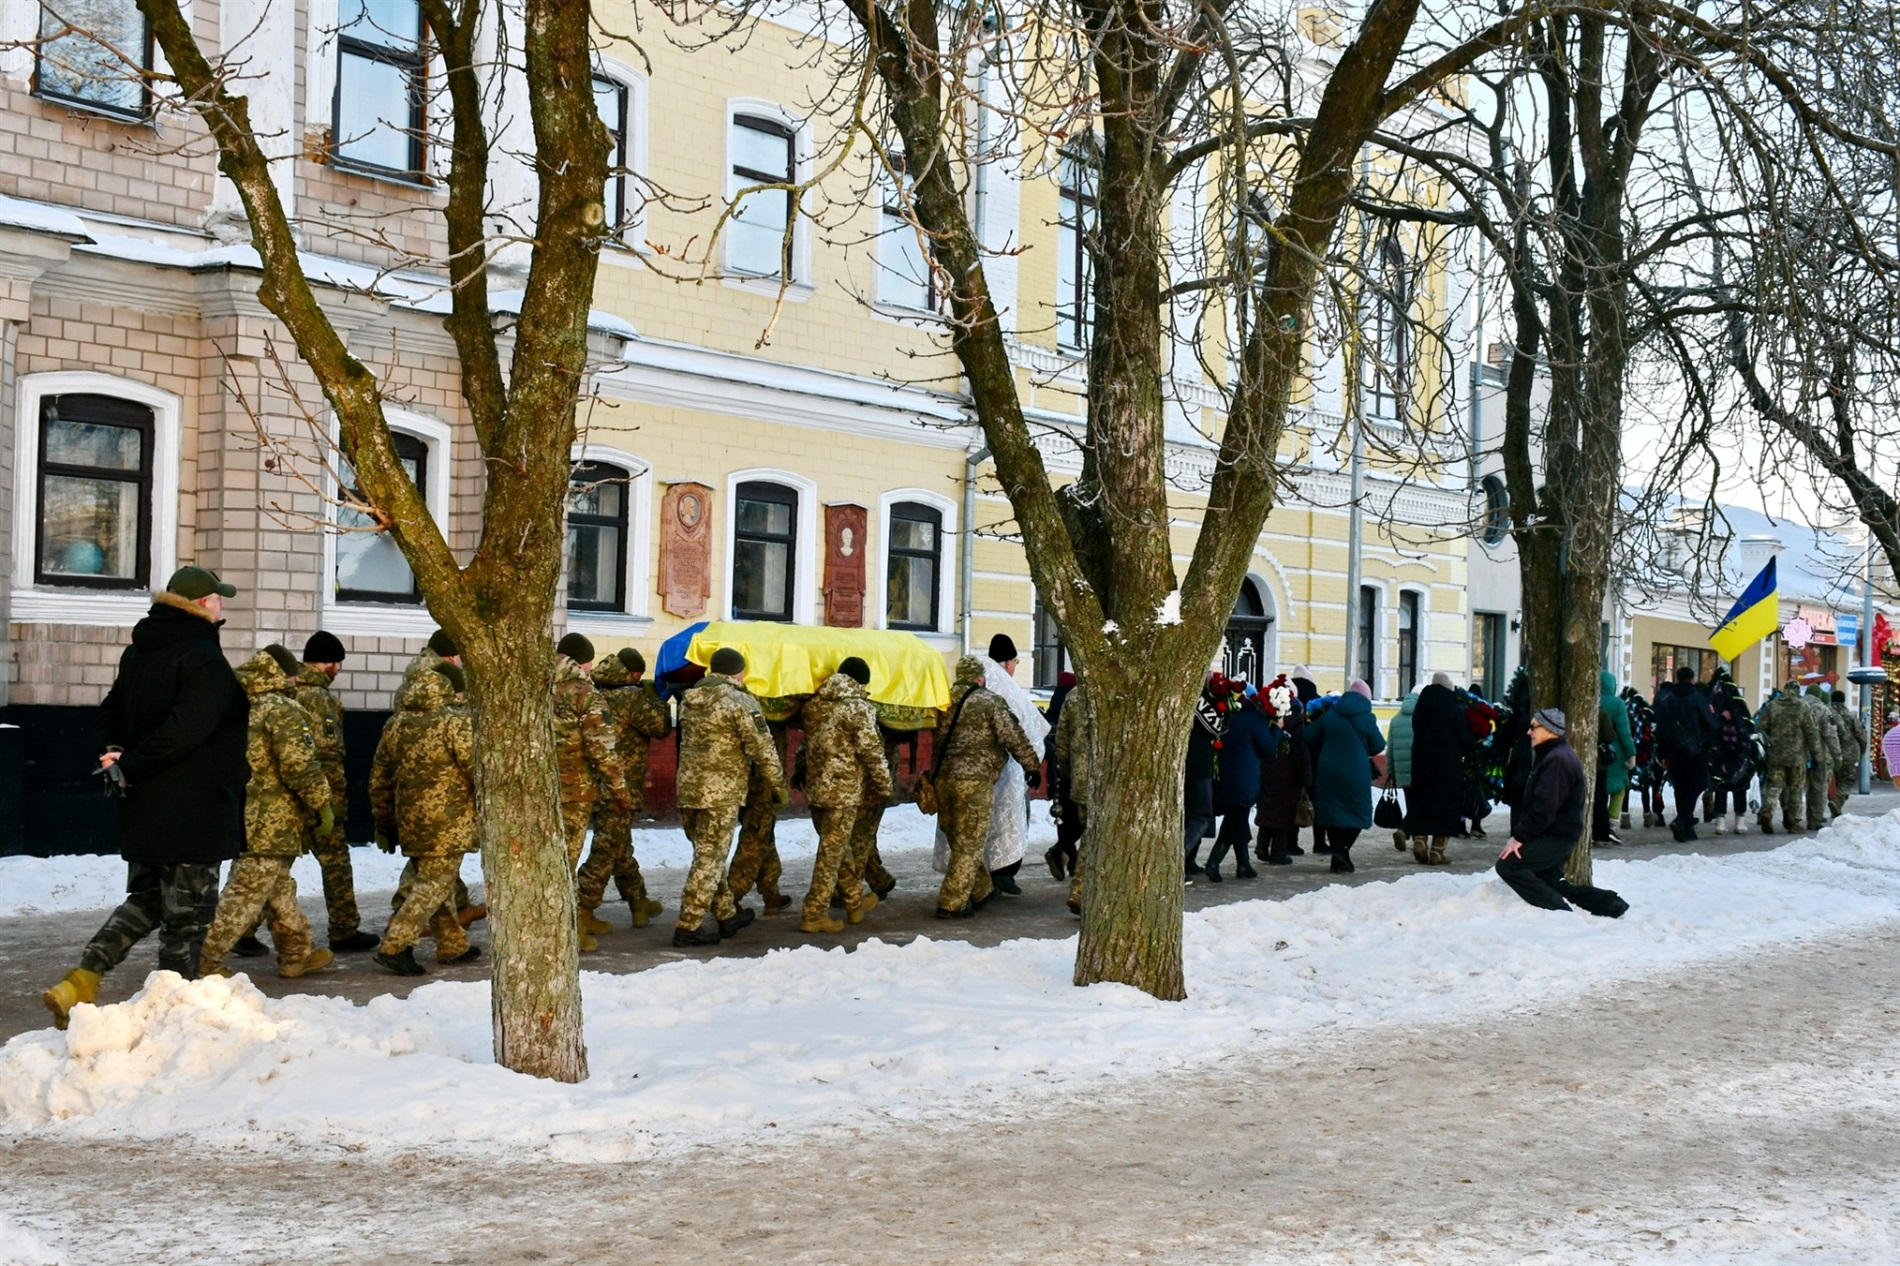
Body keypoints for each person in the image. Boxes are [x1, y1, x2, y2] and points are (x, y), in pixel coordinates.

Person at [42, 567, 251, 1029]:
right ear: (201, 605)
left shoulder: (140, 651)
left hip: (142, 803)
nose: (223, 607)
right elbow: (187, 730)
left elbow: (111, 711)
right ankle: (176, 1020)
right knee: (189, 918)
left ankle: (84, 976)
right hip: (192, 808)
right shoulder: (202, 658)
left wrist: (117, 753)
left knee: (149, 899)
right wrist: (129, 762)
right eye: (219, 599)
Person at [196, 647, 339, 979]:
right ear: (284, 675)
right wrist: (322, 804)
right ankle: (203, 960)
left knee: (278, 887)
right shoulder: (284, 710)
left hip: (237, 811)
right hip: (272, 818)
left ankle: (296, 954)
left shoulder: (234, 706)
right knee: (244, 893)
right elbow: (299, 766)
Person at [368, 663, 479, 975]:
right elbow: (478, 770)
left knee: (434, 881)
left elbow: (380, 780)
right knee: (433, 883)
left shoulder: (395, 724)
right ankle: (395, 946)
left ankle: (452, 945)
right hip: (448, 823)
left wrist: (385, 822)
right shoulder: (454, 722)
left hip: (410, 822)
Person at [672, 646, 780, 947]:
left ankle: (727, 914)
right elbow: (762, 746)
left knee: (708, 853)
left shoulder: (691, 700)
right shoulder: (740, 701)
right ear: (737, 671)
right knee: (709, 858)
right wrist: (777, 783)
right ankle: (688, 925)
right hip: (720, 792)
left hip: (689, 788)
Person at [933, 654, 1041, 918]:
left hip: (942, 780)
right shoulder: (990, 702)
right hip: (974, 783)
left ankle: (981, 889)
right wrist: (1032, 766)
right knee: (970, 842)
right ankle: (951, 903)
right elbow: (1013, 736)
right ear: (980, 678)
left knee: (959, 837)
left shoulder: (942, 701)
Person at [289, 630, 377, 952]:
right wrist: (330, 803)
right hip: (319, 801)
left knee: (273, 867)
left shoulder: (288, 691)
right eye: (337, 663)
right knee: (337, 864)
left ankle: (244, 929)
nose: (338, 670)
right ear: (327, 663)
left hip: (289, 800)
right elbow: (326, 756)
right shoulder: (319, 700)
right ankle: (344, 930)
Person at [1495, 709, 1628, 917]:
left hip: (1556, 836)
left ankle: (1561, 912)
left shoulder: (1557, 759)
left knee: (1507, 866)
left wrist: (1519, 837)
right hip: (1557, 833)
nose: (1529, 732)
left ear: (1550, 730)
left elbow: (1544, 808)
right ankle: (1609, 904)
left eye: (1533, 727)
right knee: (1550, 882)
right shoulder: (1554, 755)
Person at [795, 657, 894, 933]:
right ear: (861, 682)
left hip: (816, 791)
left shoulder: (814, 706)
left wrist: (798, 771)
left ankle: (855, 902)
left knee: (839, 849)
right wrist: (885, 785)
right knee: (831, 854)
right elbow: (872, 752)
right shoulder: (858, 709)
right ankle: (814, 913)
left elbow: (806, 745)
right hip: (844, 793)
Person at [577, 648, 671, 933]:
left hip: (593, 781)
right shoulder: (631, 698)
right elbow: (661, 728)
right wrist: (657, 698)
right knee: (607, 850)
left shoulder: (593, 692)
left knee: (619, 847)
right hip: (620, 787)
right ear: (632, 674)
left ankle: (638, 902)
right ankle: (582, 909)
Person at [551, 632, 634, 952]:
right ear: (583, 662)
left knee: (547, 861)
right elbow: (601, 750)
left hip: (537, 790)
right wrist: (619, 791)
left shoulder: (534, 685)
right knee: (565, 864)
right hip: (575, 792)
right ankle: (567, 934)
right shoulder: (583, 692)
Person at [968, 634, 1048, 895]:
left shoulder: (974, 685)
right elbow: (1020, 730)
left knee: (978, 824)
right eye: (1015, 661)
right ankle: (1003, 874)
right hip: (1007, 768)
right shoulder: (1006, 692)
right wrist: (1032, 763)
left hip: (970, 771)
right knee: (1010, 819)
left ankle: (978, 879)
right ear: (1007, 663)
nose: (1014, 667)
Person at [1306, 679, 1386, 873]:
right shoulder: (1367, 717)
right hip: (1355, 772)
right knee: (1358, 811)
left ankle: (1338, 857)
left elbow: (1307, 736)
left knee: (1333, 813)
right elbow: (1378, 746)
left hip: (1328, 771)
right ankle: (1341, 851)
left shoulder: (1331, 714)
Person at [1205, 679, 1273, 883]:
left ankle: (1244, 865)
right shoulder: (1253, 719)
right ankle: (1213, 862)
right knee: (1234, 821)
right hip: (1244, 779)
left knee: (1239, 820)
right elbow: (1268, 749)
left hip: (1223, 777)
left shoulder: (1225, 716)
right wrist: (1277, 729)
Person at [1405, 672, 1476, 865]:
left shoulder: (1420, 707)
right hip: (1448, 765)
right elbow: (1463, 737)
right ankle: (1437, 851)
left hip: (1421, 762)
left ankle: (1420, 839)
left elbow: (1416, 730)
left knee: (1422, 800)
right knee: (1446, 805)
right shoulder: (1454, 709)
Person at [1653, 665, 1719, 841]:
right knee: (1698, 783)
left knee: (1680, 787)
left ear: (1677, 678)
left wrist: (1663, 754)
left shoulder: (1668, 701)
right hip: (1697, 750)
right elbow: (1711, 724)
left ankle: (1687, 828)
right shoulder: (1699, 699)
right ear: (1692, 679)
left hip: (1674, 751)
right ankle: (1682, 820)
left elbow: (1661, 730)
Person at [1253, 675, 1311, 866]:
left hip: (1266, 767)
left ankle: (1261, 845)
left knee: (1268, 808)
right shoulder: (1296, 717)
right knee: (1284, 815)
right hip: (1288, 772)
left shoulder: (1264, 714)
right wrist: (1306, 776)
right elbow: (1300, 750)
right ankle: (1279, 854)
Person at [1051, 675, 1095, 913]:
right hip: (1106, 780)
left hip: (1080, 781)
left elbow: (1062, 743)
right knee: (1094, 837)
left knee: (1090, 832)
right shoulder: (1117, 695)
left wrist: (1067, 776)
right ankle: (1080, 890)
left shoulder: (1074, 695)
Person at [1755, 680, 1818, 833]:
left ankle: (1767, 811)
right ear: (1797, 691)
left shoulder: (1772, 706)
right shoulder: (1803, 706)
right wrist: (1816, 754)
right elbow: (1812, 732)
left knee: (1774, 786)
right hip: (1797, 756)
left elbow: (1759, 728)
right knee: (1796, 789)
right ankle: (1794, 822)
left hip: (1775, 754)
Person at [1043, 671, 1083, 880]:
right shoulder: (1108, 697)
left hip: (1070, 773)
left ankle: (1068, 856)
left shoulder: (1071, 696)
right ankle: (1077, 871)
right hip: (1095, 777)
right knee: (1089, 825)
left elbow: (1061, 741)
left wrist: (1064, 773)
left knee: (1068, 818)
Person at [1591, 670, 1636, 846]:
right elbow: (1624, 731)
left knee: (1598, 791)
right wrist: (1631, 753)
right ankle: (1611, 822)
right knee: (1618, 789)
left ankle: (1596, 825)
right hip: (1613, 753)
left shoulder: (1591, 700)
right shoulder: (1617, 703)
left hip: (1594, 753)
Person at [1707, 672, 1756, 835]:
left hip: (1719, 754)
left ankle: (1720, 823)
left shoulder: (1713, 708)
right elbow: (1748, 732)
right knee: (1739, 787)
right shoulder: (1740, 711)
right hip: (1738, 754)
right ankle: (1739, 822)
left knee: (1720, 788)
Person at [1384, 682, 1421, 852]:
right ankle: (1404, 831)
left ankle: (1412, 834)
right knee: (1420, 805)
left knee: (1411, 803)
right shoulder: (1422, 717)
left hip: (1401, 770)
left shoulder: (1396, 719)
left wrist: (1391, 771)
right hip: (1419, 769)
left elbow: (1390, 748)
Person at [1800, 682, 1842, 828]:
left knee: (1793, 786)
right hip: (1818, 754)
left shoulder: (1798, 705)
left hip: (1797, 753)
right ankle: (1814, 820)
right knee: (1817, 787)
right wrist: (1837, 756)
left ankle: (1791, 818)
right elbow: (1830, 734)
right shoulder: (1822, 709)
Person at [1829, 689, 1866, 817]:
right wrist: (1862, 750)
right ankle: (1837, 802)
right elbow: (1861, 735)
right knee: (1847, 781)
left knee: (1833, 781)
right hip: (1849, 754)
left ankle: (1834, 805)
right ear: (1844, 700)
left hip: (1831, 753)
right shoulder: (1850, 715)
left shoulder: (1827, 713)